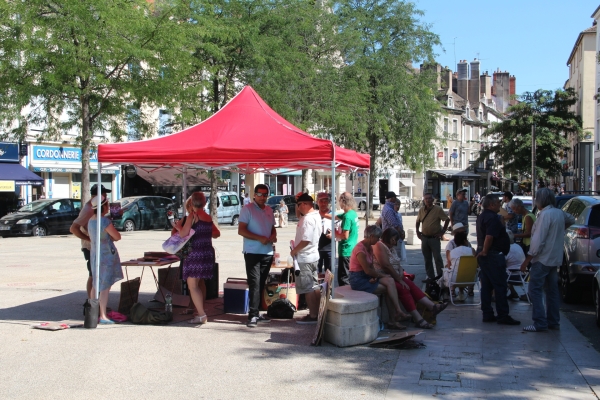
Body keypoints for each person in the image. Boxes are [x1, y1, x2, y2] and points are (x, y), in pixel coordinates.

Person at [520, 188, 575, 332]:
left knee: (535, 290)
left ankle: (540, 322)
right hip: (555, 258)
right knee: (552, 291)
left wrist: (527, 259)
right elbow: (571, 219)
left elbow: (538, 241)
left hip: (542, 258)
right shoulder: (558, 213)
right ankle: (553, 321)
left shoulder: (545, 215)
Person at [373, 228, 448, 329]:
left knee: (410, 284)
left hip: (394, 275)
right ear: (389, 237)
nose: (395, 242)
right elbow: (386, 265)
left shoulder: (391, 248)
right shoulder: (379, 246)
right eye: (394, 239)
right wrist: (399, 278)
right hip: (384, 276)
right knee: (403, 288)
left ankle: (432, 306)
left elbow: (397, 264)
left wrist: (400, 273)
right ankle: (418, 319)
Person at [349, 225, 409, 330]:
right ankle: (394, 317)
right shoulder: (360, 249)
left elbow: (371, 267)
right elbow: (368, 270)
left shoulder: (370, 247)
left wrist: (376, 277)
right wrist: (381, 275)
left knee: (390, 281)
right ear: (371, 236)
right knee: (388, 288)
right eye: (377, 237)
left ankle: (397, 313)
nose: (378, 240)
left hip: (366, 276)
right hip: (358, 279)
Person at [174, 192, 220, 324]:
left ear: (192, 203)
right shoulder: (207, 217)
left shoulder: (192, 216)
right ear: (204, 203)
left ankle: (201, 314)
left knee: (192, 286)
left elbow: (183, 234)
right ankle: (200, 312)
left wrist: (178, 226)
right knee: (198, 285)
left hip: (194, 254)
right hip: (206, 253)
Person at [476, 194, 520, 325]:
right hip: (493, 255)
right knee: (500, 285)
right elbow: (489, 236)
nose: (500, 206)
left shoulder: (483, 216)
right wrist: (485, 251)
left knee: (487, 285)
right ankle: (502, 315)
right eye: (498, 204)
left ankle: (488, 313)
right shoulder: (492, 218)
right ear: (491, 205)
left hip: (487, 255)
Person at [238, 184, 277, 328]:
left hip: (267, 252)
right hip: (252, 251)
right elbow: (241, 231)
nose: (262, 197)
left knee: (261, 284)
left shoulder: (269, 210)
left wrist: (273, 236)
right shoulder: (247, 209)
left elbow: (273, 228)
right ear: (254, 195)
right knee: (254, 282)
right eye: (259, 194)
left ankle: (257, 312)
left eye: (265, 194)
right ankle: (252, 315)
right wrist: (259, 238)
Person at [69, 184, 111, 299]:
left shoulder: (95, 207)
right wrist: (89, 239)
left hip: (97, 246)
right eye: (104, 194)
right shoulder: (88, 209)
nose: (106, 196)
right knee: (93, 275)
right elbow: (73, 228)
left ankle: (94, 302)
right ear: (97, 196)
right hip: (90, 247)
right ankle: (92, 303)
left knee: (97, 274)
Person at [88, 195, 122, 324]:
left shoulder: (91, 220)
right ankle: (103, 315)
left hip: (95, 254)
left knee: (96, 284)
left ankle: (94, 312)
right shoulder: (104, 221)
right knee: (105, 285)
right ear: (104, 206)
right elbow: (117, 236)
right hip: (106, 255)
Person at [289, 193, 322, 324]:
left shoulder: (308, 219)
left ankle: (313, 315)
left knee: (308, 288)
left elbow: (306, 240)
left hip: (305, 257)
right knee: (314, 286)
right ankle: (318, 312)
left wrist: (295, 251)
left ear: (304, 204)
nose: (297, 208)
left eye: (298, 205)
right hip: (313, 255)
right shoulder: (315, 215)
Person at [416, 193, 450, 282]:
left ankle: (440, 277)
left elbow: (447, 219)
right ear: (424, 200)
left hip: (434, 238)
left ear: (432, 200)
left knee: (437, 258)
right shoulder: (421, 210)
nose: (427, 200)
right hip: (425, 237)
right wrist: (417, 232)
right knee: (427, 259)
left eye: (429, 198)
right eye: (425, 199)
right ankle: (430, 276)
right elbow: (417, 221)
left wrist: (442, 232)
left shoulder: (438, 209)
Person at [441, 223, 476, 301]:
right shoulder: (469, 248)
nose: (465, 232)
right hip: (470, 277)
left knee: (450, 271)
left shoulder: (453, 252)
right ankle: (461, 291)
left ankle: (451, 291)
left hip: (456, 274)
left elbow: (449, 264)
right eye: (463, 231)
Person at [334, 192, 359, 287]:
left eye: (339, 201)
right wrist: (323, 213)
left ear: (343, 202)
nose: (339, 204)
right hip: (352, 249)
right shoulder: (352, 213)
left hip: (346, 250)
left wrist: (334, 234)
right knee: (348, 275)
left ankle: (346, 299)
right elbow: (335, 216)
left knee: (344, 278)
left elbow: (345, 236)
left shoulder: (347, 216)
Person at [380, 191, 405, 256]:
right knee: (394, 256)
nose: (395, 199)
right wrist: (401, 233)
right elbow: (395, 225)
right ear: (392, 199)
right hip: (391, 237)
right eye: (395, 198)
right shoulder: (389, 210)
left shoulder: (389, 208)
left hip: (392, 236)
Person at [505, 230, 526, 300]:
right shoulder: (517, 246)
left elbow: (502, 262)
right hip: (523, 275)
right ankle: (513, 293)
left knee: (496, 273)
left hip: (513, 276)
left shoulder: (507, 248)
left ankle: (496, 295)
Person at [316, 192, 332, 274]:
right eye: (321, 201)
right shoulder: (314, 215)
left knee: (328, 274)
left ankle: (328, 287)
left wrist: (333, 235)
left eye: (325, 201)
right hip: (316, 248)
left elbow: (340, 231)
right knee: (316, 273)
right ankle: (317, 287)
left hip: (329, 249)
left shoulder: (333, 215)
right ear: (317, 202)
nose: (323, 203)